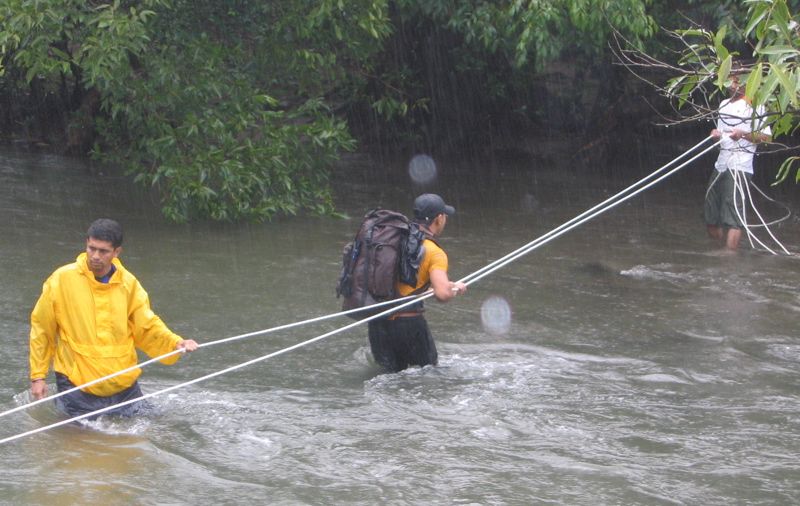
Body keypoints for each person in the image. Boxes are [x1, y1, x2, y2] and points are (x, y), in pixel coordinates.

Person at [29, 218, 199, 418]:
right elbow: (42, 328)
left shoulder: (128, 284)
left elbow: (146, 325)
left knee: (144, 433)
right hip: (77, 381)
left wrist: (176, 342)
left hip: (122, 381)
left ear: (116, 252)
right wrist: (38, 376)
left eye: (103, 251)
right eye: (91, 248)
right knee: (78, 441)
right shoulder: (61, 279)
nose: (95, 256)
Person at [367, 194, 467, 372]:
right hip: (409, 326)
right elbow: (443, 295)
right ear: (439, 218)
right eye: (444, 216)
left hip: (378, 324)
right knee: (427, 375)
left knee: (388, 375)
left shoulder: (394, 240)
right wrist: (455, 288)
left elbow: (399, 281)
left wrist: (438, 285)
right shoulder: (434, 252)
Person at [706, 70, 772, 250]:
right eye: (730, 81)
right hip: (721, 164)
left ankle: (729, 257)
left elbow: (766, 137)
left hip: (740, 166)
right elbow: (721, 139)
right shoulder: (723, 104)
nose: (732, 85)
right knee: (710, 218)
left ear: (745, 83)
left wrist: (742, 135)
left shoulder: (755, 105)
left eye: (736, 81)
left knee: (734, 218)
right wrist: (715, 135)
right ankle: (722, 250)